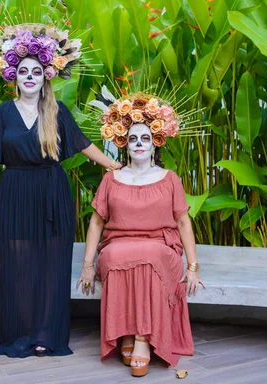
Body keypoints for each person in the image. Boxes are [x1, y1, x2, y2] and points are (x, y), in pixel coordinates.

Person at [0, 23, 121, 358]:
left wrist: (112, 166)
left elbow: (82, 145)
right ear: (13, 75)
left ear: (45, 76)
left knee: (51, 263)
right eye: (23, 71)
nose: (29, 77)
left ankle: (47, 335)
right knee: (18, 264)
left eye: (35, 71)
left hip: (52, 193)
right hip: (14, 193)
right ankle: (18, 335)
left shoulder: (57, 111)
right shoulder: (2, 114)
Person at [78, 89, 205, 377]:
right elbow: (96, 223)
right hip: (117, 246)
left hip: (161, 248)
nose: (138, 144)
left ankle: (141, 340)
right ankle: (124, 332)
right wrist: (87, 266)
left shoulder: (169, 179)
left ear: (155, 143)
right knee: (118, 255)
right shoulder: (111, 178)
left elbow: (184, 224)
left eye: (145, 138)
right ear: (125, 143)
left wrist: (194, 267)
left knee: (148, 256)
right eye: (133, 138)